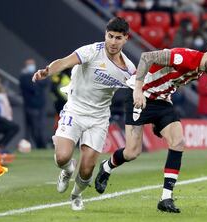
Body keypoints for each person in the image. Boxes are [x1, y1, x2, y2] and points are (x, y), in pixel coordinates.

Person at [95, 42, 207, 213]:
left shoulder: (200, 69)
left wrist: (158, 117)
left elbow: (169, 81)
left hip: (161, 101)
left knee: (178, 142)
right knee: (132, 152)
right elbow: (147, 57)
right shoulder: (186, 57)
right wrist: (138, 90)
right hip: (139, 95)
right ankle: (107, 166)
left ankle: (166, 198)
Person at [32, 17, 136, 211]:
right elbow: (64, 62)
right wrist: (46, 71)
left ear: (126, 39)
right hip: (75, 110)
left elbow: (139, 89)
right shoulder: (92, 51)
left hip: (98, 118)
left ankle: (76, 195)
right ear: (105, 34)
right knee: (63, 157)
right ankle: (66, 170)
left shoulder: (129, 69)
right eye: (110, 36)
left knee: (87, 168)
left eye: (118, 38)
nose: (113, 42)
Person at [19, 58, 48, 149]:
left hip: (41, 105)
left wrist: (37, 81)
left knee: (41, 127)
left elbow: (45, 82)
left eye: (32, 64)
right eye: (29, 64)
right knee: (34, 128)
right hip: (30, 106)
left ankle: (42, 146)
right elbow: (32, 87)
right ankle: (39, 146)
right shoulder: (24, 76)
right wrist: (36, 81)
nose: (31, 66)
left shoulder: (38, 74)